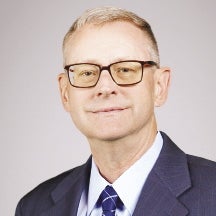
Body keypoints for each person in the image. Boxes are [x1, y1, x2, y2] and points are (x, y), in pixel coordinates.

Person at [15, 6, 216, 216]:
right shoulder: (33, 207)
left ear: (159, 86)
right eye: (86, 72)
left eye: (125, 70)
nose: (105, 88)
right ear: (65, 93)